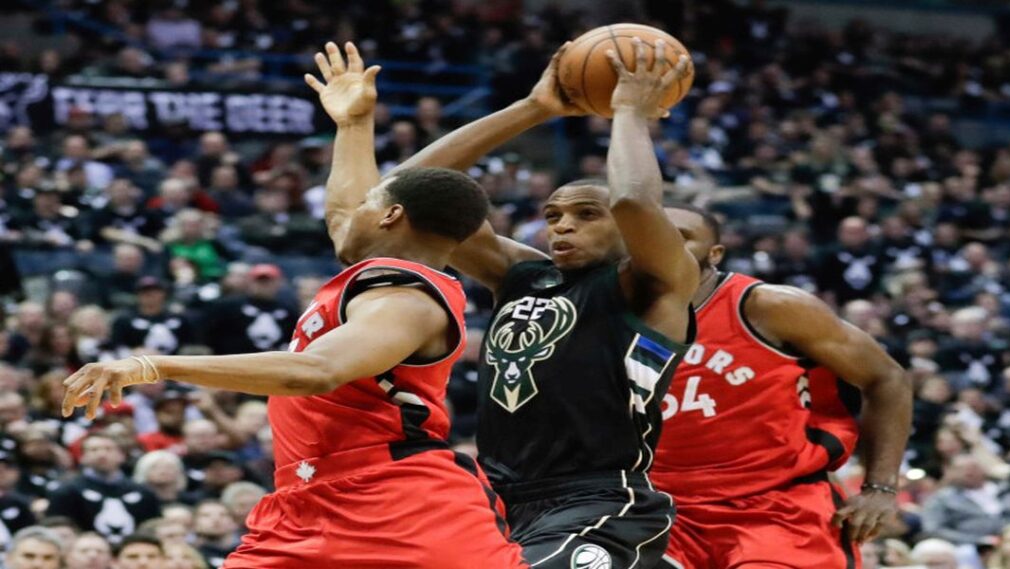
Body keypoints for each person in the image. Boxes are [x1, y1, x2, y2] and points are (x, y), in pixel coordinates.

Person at [61, 42, 527, 568]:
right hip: (306, 497)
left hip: (399, 501)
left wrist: (154, 365)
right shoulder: (376, 272)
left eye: (370, 202)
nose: (352, 209)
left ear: (392, 216)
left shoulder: (406, 300)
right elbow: (343, 219)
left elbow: (317, 371)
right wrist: (354, 125)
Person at [347, 39, 699, 566]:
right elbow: (405, 197)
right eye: (553, 216)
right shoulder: (521, 275)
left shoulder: (654, 284)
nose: (562, 227)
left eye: (585, 214)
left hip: (598, 500)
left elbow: (633, 200)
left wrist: (629, 110)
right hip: (492, 501)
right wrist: (532, 109)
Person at [651, 204, 912, 569]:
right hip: (656, 507)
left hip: (775, 505)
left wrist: (880, 487)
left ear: (715, 253)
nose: (661, 243)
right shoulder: (602, 312)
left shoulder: (769, 306)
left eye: (681, 237)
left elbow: (886, 378)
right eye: (650, 233)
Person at [45, 434, 162, 544]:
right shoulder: (66, 492)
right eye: (94, 450)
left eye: (108, 449)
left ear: (122, 455)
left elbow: (153, 528)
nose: (102, 454)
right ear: (82, 457)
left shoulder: (143, 492)